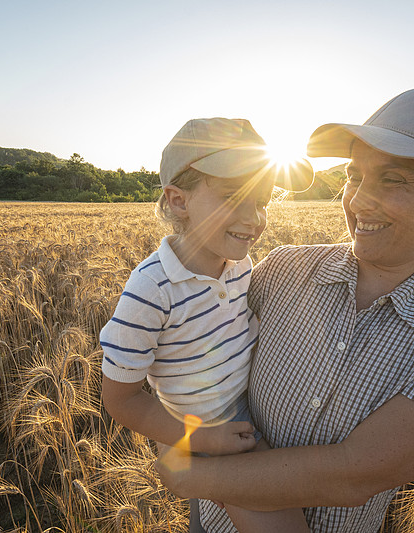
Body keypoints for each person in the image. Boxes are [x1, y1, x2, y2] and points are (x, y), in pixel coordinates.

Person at [157, 88, 414, 532]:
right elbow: (189, 351)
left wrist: (190, 475)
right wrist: (175, 429)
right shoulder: (281, 268)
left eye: (394, 179)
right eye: (355, 175)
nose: (358, 200)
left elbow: (358, 474)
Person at [100, 117, 314, 532]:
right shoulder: (152, 289)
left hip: (248, 415)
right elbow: (120, 399)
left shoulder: (238, 265)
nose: (254, 218)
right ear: (179, 201)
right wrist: (199, 441)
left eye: (263, 200)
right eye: (234, 197)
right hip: (207, 432)